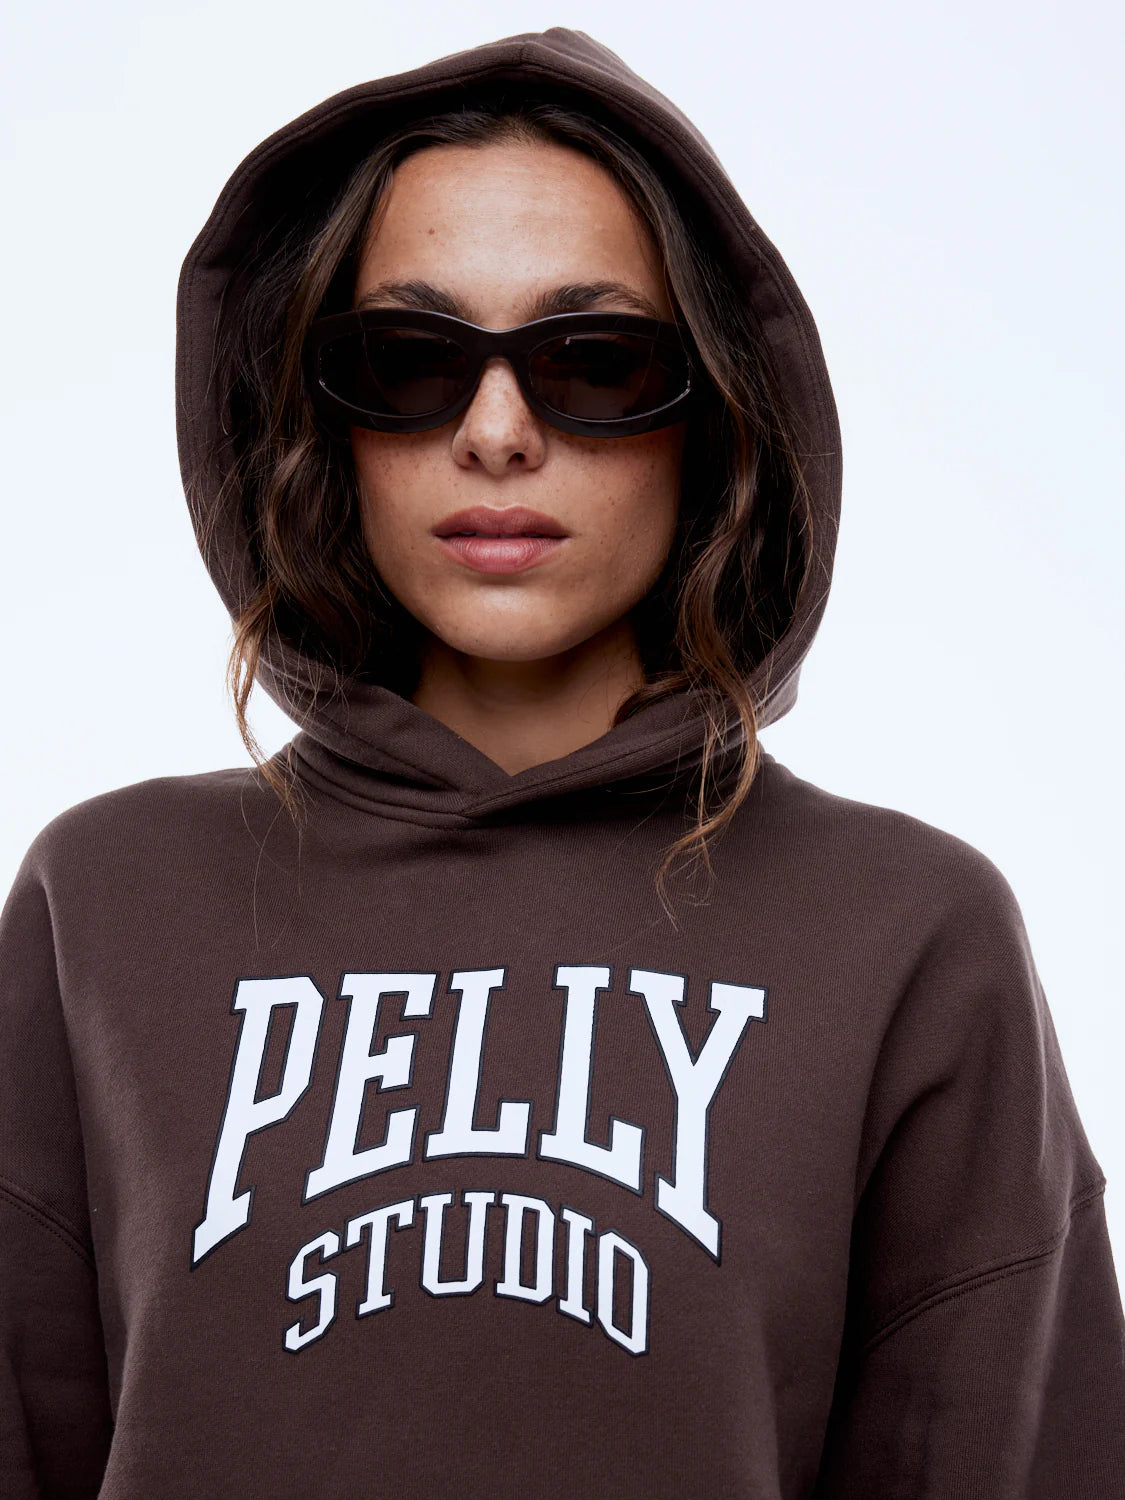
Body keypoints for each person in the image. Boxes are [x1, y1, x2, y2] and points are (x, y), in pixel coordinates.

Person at [1, 25, 1122, 1498]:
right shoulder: (107, 902)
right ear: (317, 416)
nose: (496, 433)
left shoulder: (906, 931)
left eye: (595, 363)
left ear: (715, 411)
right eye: (407, 361)